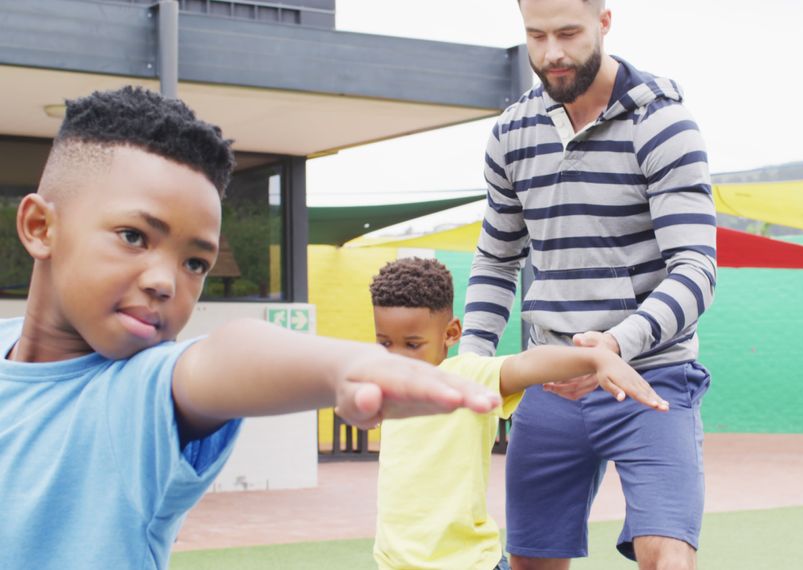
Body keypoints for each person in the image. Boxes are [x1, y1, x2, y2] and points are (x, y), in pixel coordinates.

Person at [0, 86, 503, 570]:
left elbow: (224, 356)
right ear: (41, 227)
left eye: (195, 263)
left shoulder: (137, 391)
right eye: (134, 236)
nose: (165, 282)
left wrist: (346, 365)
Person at [460, 0, 717, 567]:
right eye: (536, 35)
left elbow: (696, 269)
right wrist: (470, 362)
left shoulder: (663, 124)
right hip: (550, 386)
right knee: (531, 562)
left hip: (651, 377)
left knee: (666, 556)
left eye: (569, 33)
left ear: (605, 22)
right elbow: (497, 260)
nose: (551, 53)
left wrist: (616, 344)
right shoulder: (510, 133)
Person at [369, 257, 669, 570]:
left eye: (413, 344)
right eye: (385, 342)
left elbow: (527, 364)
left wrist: (594, 360)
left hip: (467, 563)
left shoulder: (466, 376)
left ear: (451, 333)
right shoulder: (385, 381)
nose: (398, 356)